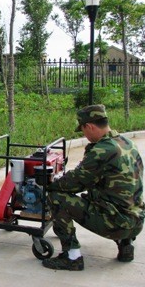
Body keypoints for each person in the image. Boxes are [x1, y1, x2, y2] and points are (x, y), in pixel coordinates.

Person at [42, 104, 144, 271]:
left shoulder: (102, 150)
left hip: (115, 224)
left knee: (56, 197)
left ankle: (72, 257)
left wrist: (49, 185)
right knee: (115, 198)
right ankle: (126, 246)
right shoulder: (127, 143)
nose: (84, 135)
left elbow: (74, 183)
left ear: (89, 126)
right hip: (136, 222)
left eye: (83, 130)